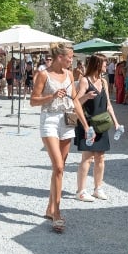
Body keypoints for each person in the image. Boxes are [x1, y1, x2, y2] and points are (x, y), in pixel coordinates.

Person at [30, 41, 89, 234]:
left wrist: (86, 125)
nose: (72, 61)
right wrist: (52, 96)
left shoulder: (70, 75)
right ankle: (57, 213)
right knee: (59, 166)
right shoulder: (43, 74)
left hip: (67, 119)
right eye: (69, 57)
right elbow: (33, 101)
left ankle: (50, 208)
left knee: (59, 169)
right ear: (59, 57)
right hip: (50, 120)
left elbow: (74, 101)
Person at [73, 54, 120, 202]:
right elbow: (76, 103)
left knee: (101, 157)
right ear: (97, 65)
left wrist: (116, 123)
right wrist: (86, 97)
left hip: (102, 124)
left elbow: (108, 105)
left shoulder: (104, 82)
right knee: (87, 158)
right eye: (105, 64)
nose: (106, 66)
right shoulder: (84, 81)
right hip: (88, 123)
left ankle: (98, 188)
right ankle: (81, 191)